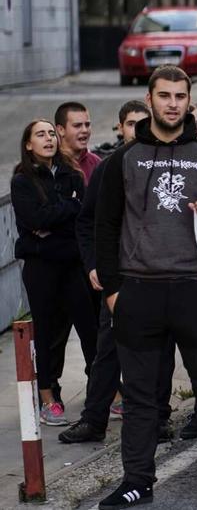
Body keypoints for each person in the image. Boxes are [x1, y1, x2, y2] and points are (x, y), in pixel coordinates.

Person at [94, 65, 197, 509]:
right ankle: (137, 481)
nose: (172, 104)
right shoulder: (122, 160)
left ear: (189, 101)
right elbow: (105, 226)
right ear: (150, 100)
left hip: (195, 289)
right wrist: (113, 291)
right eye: (164, 95)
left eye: (180, 96)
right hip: (139, 290)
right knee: (142, 397)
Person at [62, 102, 176, 446]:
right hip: (118, 276)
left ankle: (159, 418)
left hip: (159, 275)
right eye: (131, 124)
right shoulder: (110, 167)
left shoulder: (167, 163)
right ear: (120, 128)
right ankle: (94, 419)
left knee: (161, 352)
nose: (137, 129)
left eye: (143, 123)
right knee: (108, 351)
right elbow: (87, 222)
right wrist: (94, 265)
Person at [11, 120, 94, 427]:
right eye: (40, 134)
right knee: (46, 333)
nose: (48, 138)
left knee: (90, 329)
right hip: (41, 267)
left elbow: (81, 216)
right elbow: (34, 219)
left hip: (72, 264)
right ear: (28, 144)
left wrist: (55, 221)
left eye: (50, 133)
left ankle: (108, 393)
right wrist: (67, 207)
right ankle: (48, 398)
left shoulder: (72, 174)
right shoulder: (22, 180)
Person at [55, 102, 102, 184]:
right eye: (77, 125)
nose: (85, 130)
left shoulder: (97, 163)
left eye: (87, 125)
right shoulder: (50, 163)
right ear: (61, 130)